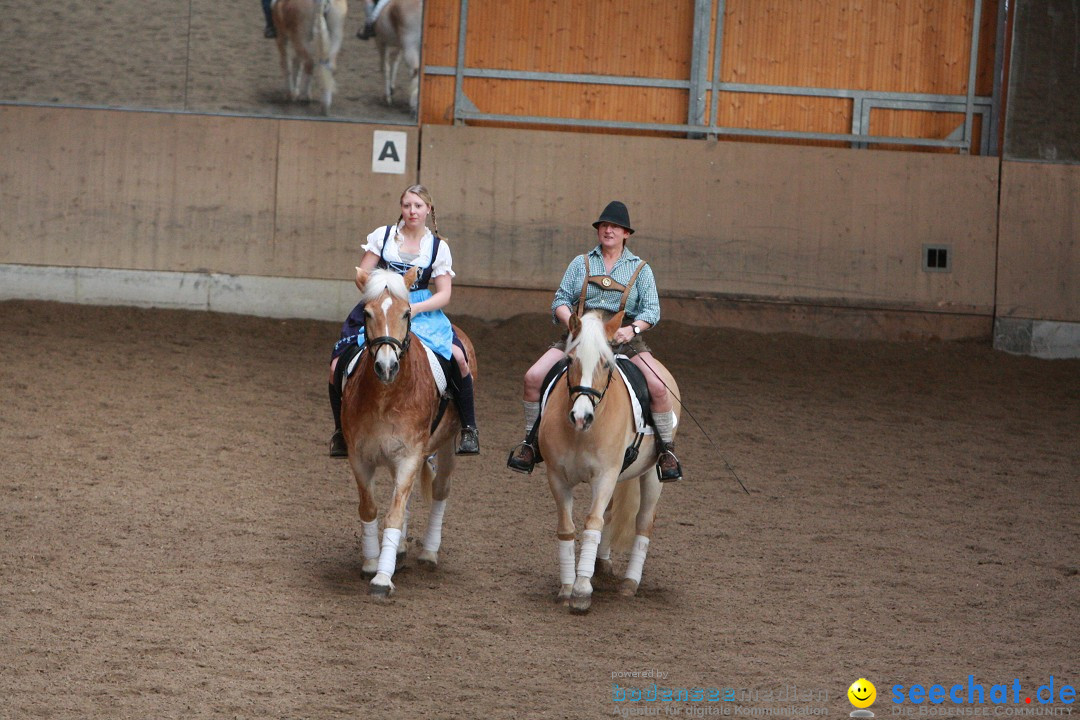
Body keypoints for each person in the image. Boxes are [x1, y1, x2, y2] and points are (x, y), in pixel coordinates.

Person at [506, 201, 682, 481]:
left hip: (622, 337)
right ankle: (531, 441)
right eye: (603, 226)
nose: (608, 230)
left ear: (627, 233)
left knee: (659, 388)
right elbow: (561, 300)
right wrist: (572, 325)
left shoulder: (641, 269)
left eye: (614, 226)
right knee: (533, 377)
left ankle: (665, 451)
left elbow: (652, 310)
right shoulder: (582, 263)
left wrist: (632, 329)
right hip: (580, 337)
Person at [328, 185, 479, 457]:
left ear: (428, 209)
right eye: (408, 205)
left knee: (458, 356)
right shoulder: (383, 236)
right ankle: (341, 431)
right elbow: (362, 273)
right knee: (337, 363)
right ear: (401, 207)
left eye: (418, 206)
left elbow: (445, 294)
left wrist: (415, 307)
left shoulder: (437, 247)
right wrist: (382, 294)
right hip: (383, 305)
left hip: (420, 308)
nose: (412, 211)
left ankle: (469, 427)